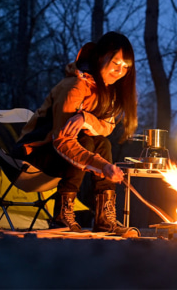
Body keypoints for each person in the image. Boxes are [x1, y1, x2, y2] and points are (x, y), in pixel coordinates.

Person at [14, 31, 139, 237]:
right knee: (86, 143)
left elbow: (106, 127)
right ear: (100, 57)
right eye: (116, 62)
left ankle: (104, 219)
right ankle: (62, 214)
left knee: (102, 143)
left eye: (126, 67)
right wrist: (103, 166)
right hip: (32, 157)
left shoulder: (106, 91)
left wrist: (85, 118)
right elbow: (61, 141)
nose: (120, 71)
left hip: (61, 159)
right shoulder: (74, 86)